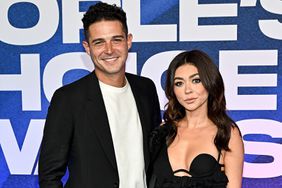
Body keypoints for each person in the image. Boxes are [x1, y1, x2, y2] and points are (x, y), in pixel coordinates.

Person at [39, 2, 161, 188]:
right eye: (99, 42)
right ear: (87, 48)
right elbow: (49, 176)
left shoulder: (146, 89)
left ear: (128, 41)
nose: (109, 50)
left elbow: (156, 156)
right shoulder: (68, 99)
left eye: (116, 40)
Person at [148, 50, 244, 188]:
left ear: (209, 82)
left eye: (196, 80)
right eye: (179, 83)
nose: (188, 90)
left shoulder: (227, 133)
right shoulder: (163, 132)